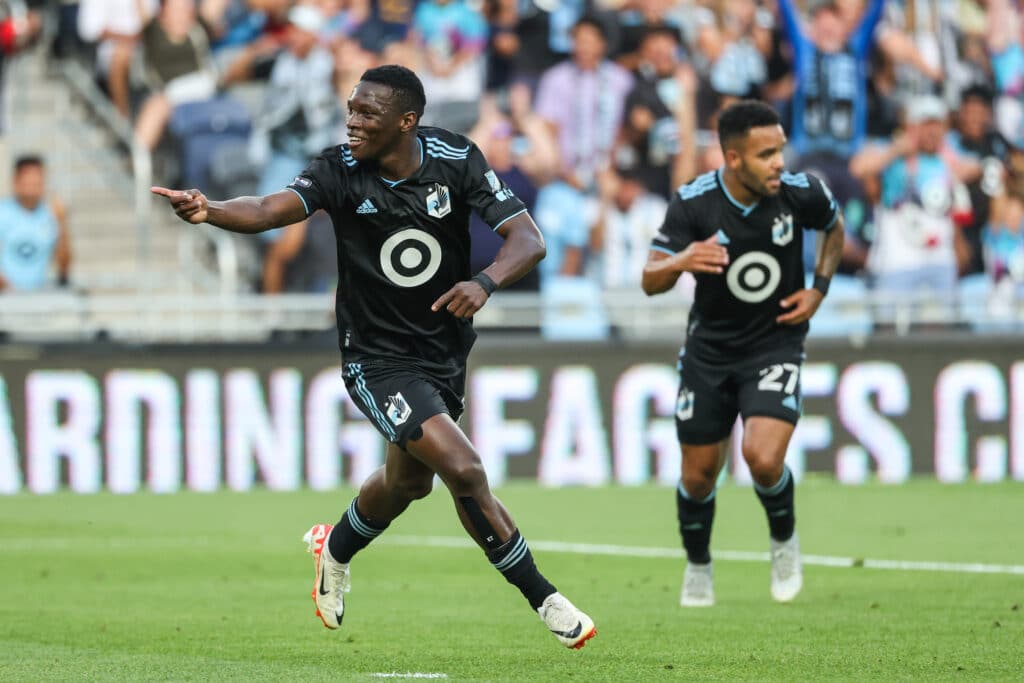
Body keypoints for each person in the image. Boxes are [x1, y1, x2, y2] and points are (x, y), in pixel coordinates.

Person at [151, 64, 597, 649]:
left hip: (443, 352)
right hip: (375, 357)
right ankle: (546, 599)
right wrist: (211, 210)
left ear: (406, 122)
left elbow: (529, 240)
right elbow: (266, 209)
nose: (352, 121)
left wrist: (484, 283)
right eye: (351, 109)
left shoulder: (457, 158)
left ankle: (334, 549)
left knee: (407, 483)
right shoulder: (337, 169)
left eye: (367, 113)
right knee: (464, 470)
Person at [641, 101, 845, 607]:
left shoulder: (799, 193)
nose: (779, 162)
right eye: (766, 154)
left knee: (762, 456)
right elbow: (650, 280)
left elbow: (835, 228)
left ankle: (783, 542)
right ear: (733, 158)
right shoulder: (694, 204)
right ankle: (698, 564)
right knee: (698, 475)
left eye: (780, 150)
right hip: (708, 353)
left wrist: (818, 288)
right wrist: (685, 259)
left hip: (774, 343)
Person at [0, 155, 72, 292]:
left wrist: (62, 224)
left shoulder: (51, 214)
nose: (33, 189)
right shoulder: (2, 212)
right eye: (28, 184)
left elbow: (64, 267)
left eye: (37, 183)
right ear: (16, 183)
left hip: (37, 298)